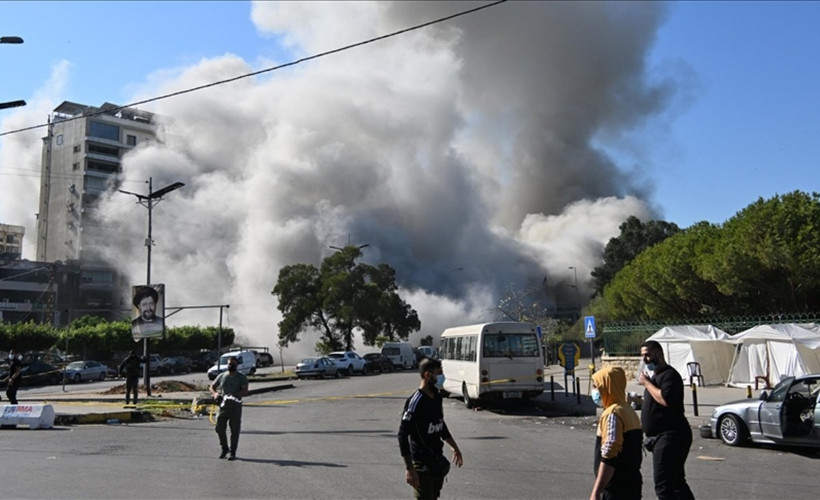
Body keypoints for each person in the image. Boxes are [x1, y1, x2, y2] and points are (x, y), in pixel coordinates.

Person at [397, 358, 463, 499]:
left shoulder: (437, 397)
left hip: (436, 460)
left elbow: (440, 424)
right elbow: (402, 436)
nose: (441, 377)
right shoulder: (415, 402)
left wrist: (454, 446)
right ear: (428, 375)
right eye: (439, 373)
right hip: (421, 464)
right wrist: (410, 468)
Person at [638, 340, 695, 500]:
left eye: (648, 355)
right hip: (660, 436)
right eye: (643, 356)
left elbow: (665, 399)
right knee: (676, 483)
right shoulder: (656, 376)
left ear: (659, 353)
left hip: (670, 435)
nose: (645, 360)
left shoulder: (670, 375)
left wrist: (647, 383)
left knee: (664, 486)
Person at [589, 366, 643, 500]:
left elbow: (610, 454)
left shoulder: (613, 414)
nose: (595, 391)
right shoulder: (627, 409)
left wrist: (596, 492)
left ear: (607, 386)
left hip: (616, 488)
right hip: (631, 483)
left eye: (597, 386)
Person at [210, 356, 249, 461]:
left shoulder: (241, 377)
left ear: (237, 365)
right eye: (229, 364)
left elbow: (245, 390)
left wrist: (235, 395)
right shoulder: (222, 376)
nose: (231, 365)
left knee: (234, 430)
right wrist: (215, 393)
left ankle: (233, 451)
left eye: (233, 364)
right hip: (223, 407)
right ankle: (224, 448)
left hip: (235, 407)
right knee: (219, 428)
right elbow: (212, 386)